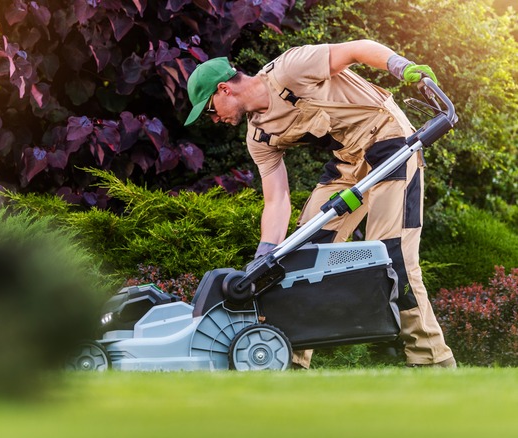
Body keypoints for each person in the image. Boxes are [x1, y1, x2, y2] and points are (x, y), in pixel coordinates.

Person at [184, 39, 456, 369]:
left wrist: (401, 66)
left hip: (389, 142)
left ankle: (432, 363)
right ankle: (288, 361)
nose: (214, 119)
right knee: (299, 257)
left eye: (210, 110)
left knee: (394, 254)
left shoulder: (291, 69)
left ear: (225, 89)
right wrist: (266, 254)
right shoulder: (259, 136)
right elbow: (277, 198)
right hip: (348, 162)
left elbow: (357, 49)